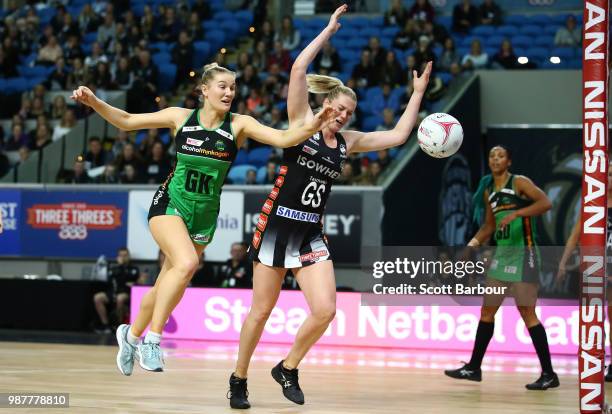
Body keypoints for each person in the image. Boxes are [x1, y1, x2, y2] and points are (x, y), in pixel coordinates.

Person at [71, 63, 338, 376]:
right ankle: (153, 341)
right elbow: (128, 121)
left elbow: (283, 138)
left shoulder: (239, 125)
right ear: (205, 91)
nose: (229, 92)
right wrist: (95, 102)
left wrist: (315, 123)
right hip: (170, 204)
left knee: (165, 285)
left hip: (205, 216)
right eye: (223, 86)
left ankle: (129, 336)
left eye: (233, 88)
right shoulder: (180, 117)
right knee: (186, 264)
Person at [228, 5, 431, 409]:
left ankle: (287, 367)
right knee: (260, 312)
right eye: (338, 109)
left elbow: (399, 134)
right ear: (327, 104)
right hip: (275, 226)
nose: (342, 116)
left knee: (325, 311)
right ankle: (238, 377)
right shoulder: (302, 120)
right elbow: (298, 71)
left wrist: (418, 92)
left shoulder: (349, 141)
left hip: (309, 234)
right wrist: (327, 31)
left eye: (349, 113)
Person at [444, 145, 559, 390]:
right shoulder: (488, 191)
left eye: (501, 156)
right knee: (487, 312)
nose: (495, 159)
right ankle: (474, 368)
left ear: (508, 161)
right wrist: (470, 247)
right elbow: (488, 226)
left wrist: (517, 215)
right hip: (503, 257)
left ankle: (549, 373)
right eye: (492, 156)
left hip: (525, 254)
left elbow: (545, 203)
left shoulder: (520, 183)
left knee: (527, 314)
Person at [557, 162, 612, 381]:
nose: (609, 177)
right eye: (606, 173)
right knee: (594, 315)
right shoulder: (592, 202)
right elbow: (574, 235)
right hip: (595, 264)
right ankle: (596, 359)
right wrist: (563, 261)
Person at [93, 247, 143, 333]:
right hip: (113, 292)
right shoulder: (114, 268)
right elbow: (110, 280)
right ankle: (106, 325)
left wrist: (132, 281)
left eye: (125, 255)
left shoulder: (134, 269)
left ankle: (119, 326)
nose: (123, 257)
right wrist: (120, 267)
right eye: (121, 255)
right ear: (118, 257)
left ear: (129, 256)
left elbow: (134, 282)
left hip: (126, 292)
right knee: (97, 297)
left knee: (120, 298)